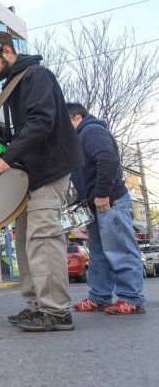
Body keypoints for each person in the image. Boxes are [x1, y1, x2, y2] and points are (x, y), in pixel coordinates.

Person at [0, 31, 83, 332]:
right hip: (30, 173)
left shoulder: (36, 76)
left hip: (49, 168)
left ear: (8, 51)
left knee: (43, 239)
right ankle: (37, 305)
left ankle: (57, 311)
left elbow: (41, 122)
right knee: (24, 240)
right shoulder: (16, 84)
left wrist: (7, 158)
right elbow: (24, 129)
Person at [67, 102, 145, 314]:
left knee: (120, 250)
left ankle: (132, 298)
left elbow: (107, 159)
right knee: (100, 253)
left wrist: (102, 194)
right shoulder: (79, 138)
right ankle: (99, 296)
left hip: (109, 201)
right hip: (93, 205)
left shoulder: (91, 130)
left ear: (77, 118)